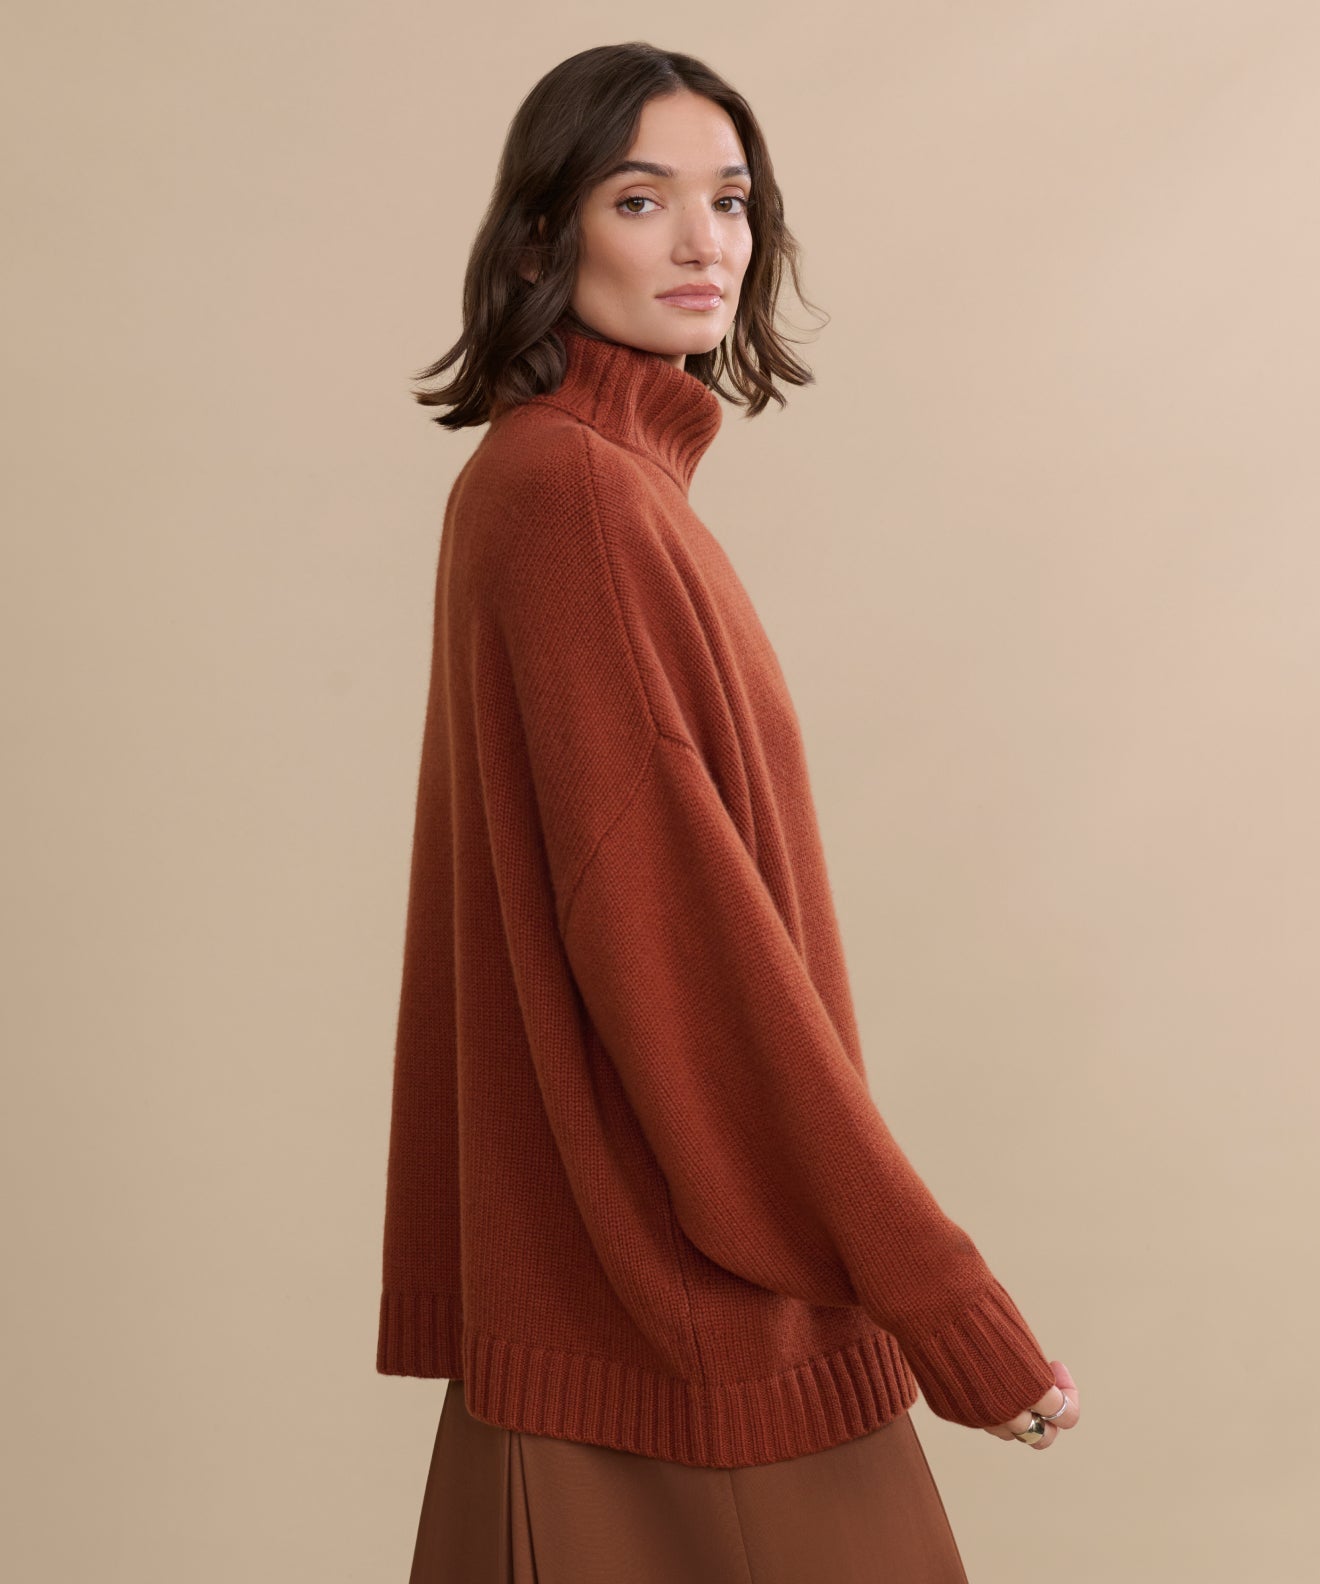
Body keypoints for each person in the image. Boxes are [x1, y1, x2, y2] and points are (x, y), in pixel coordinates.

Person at [377, 41, 1080, 1583]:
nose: (707, 244)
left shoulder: (574, 484)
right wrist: (943, 1302)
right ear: (545, 239)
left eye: (733, 199)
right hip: (685, 1359)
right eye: (646, 198)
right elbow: (688, 959)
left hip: (605, 1324)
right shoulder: (575, 501)